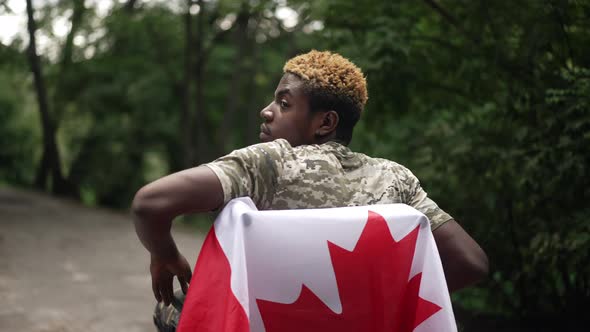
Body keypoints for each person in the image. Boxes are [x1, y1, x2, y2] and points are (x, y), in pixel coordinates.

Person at [132, 50, 489, 331]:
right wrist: (375, 306)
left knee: (172, 308)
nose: (267, 111)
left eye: (283, 103)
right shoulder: (395, 178)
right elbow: (471, 262)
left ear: (325, 123)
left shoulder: (272, 162)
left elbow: (151, 203)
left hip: (265, 320)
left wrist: (165, 255)